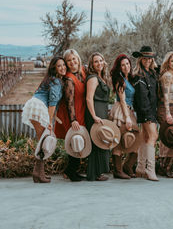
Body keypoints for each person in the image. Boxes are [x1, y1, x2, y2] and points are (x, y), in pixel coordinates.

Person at [22, 56, 66, 183]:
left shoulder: (51, 80)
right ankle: (38, 173)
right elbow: (52, 104)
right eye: (59, 66)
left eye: (64, 65)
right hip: (39, 107)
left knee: (41, 142)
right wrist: (49, 123)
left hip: (34, 105)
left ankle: (38, 173)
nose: (63, 67)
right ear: (54, 68)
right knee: (43, 142)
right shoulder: (56, 81)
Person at [54, 49, 87, 182]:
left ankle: (72, 170)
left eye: (74, 59)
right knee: (75, 140)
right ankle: (70, 171)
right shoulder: (69, 79)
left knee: (80, 141)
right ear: (66, 63)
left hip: (82, 110)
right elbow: (69, 101)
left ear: (78, 59)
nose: (72, 62)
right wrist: (73, 119)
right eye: (69, 60)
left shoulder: (82, 73)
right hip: (72, 113)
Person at [109, 54, 140, 179]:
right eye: (123, 65)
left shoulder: (130, 78)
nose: (126, 66)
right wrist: (127, 117)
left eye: (127, 64)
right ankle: (117, 170)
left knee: (135, 140)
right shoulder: (119, 79)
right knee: (120, 141)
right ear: (119, 67)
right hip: (122, 111)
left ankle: (127, 166)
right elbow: (122, 100)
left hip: (130, 111)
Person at [132, 46, 159, 181]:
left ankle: (141, 167)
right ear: (140, 59)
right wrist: (148, 115)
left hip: (151, 110)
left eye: (150, 58)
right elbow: (142, 98)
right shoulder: (139, 76)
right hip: (146, 111)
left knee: (145, 137)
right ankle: (150, 170)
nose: (148, 60)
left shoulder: (152, 73)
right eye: (145, 58)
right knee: (154, 136)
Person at [85, 52, 111, 181]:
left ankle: (99, 172)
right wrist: (94, 115)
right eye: (96, 61)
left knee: (101, 140)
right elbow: (89, 98)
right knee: (96, 141)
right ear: (91, 64)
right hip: (95, 112)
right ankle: (94, 173)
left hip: (103, 111)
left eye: (100, 60)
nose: (99, 63)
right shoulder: (93, 78)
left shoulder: (102, 77)